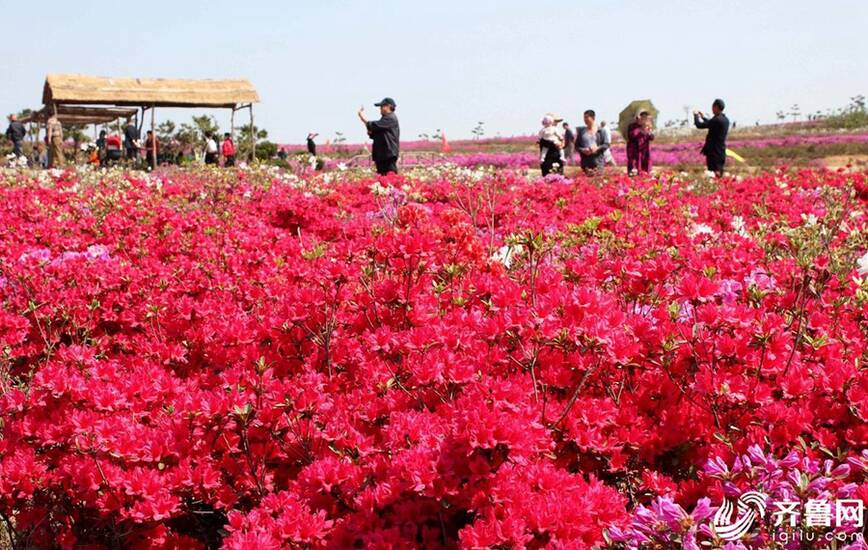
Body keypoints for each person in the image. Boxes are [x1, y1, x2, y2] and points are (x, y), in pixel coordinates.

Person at [358, 97, 400, 175]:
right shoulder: (384, 119)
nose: (380, 108)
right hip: (382, 156)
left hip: (388, 156)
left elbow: (373, 125)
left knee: (390, 178)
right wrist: (370, 130)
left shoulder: (390, 118)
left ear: (388, 106)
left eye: (382, 106)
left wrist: (362, 118)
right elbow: (373, 130)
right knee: (382, 179)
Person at [694, 98, 730, 177]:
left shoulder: (716, 120)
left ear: (716, 107)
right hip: (721, 151)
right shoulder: (725, 119)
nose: (712, 109)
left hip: (713, 153)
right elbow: (711, 123)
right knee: (719, 174)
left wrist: (695, 115)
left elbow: (699, 125)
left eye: (713, 107)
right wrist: (703, 117)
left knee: (713, 175)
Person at [576, 110, 610, 174]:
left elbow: (606, 144)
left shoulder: (601, 131)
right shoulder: (581, 132)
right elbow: (577, 146)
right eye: (584, 117)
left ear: (593, 118)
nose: (585, 119)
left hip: (598, 161)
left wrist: (597, 148)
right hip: (585, 161)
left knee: (597, 180)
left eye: (587, 117)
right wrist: (583, 150)